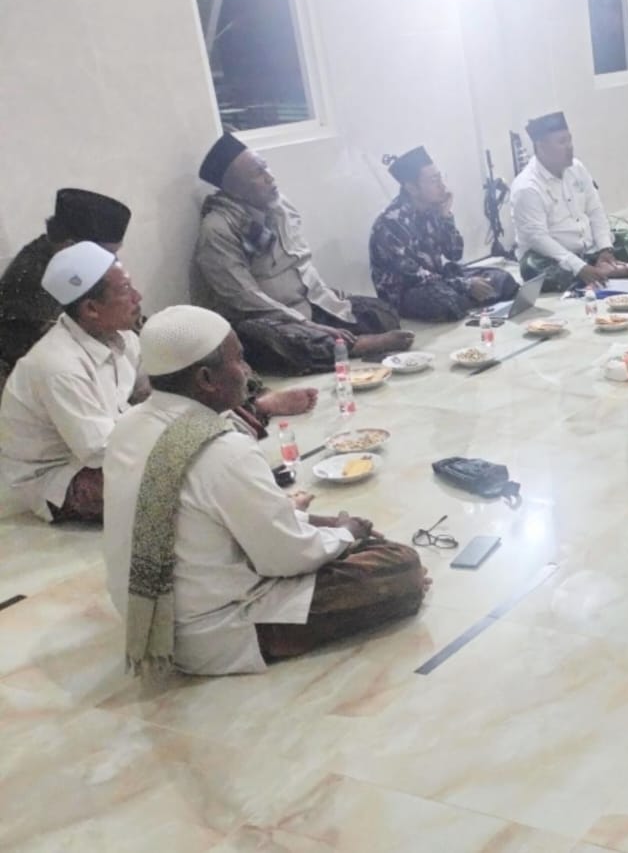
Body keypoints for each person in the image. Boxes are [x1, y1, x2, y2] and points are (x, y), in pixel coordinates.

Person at [103, 305, 430, 677]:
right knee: (399, 566)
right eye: (239, 360)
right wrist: (345, 534)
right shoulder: (221, 449)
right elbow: (285, 558)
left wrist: (321, 524)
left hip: (149, 618)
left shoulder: (127, 426)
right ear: (206, 378)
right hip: (215, 633)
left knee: (347, 540)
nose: (246, 371)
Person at [191, 132, 413, 376]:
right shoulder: (218, 229)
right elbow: (245, 298)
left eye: (266, 168)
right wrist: (306, 324)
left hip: (310, 303)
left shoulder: (278, 204)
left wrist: (327, 298)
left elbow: (301, 260)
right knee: (278, 344)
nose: (270, 177)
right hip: (272, 319)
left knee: (382, 313)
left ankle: (338, 343)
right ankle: (355, 346)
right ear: (235, 189)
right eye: (258, 173)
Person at [0, 243, 144, 523]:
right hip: (59, 477)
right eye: (126, 290)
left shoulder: (122, 338)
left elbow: (156, 390)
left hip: (102, 447)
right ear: (91, 308)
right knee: (169, 481)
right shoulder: (58, 365)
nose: (138, 297)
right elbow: (99, 451)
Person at [369, 145, 518, 321]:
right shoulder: (391, 224)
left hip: (440, 279)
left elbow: (454, 254)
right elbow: (415, 276)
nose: (442, 186)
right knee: (446, 302)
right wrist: (466, 285)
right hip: (407, 292)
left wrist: (446, 215)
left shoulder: (433, 209)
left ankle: (470, 299)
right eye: (434, 181)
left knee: (503, 279)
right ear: (412, 187)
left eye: (440, 178)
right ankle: (470, 299)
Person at [511, 111, 628, 294]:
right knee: (531, 269)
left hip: (589, 250)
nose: (569, 147)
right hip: (552, 257)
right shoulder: (527, 187)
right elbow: (539, 239)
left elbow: (595, 210)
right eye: (561, 142)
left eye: (569, 140)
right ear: (541, 146)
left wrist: (605, 250)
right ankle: (597, 272)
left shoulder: (576, 168)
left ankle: (601, 268)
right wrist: (579, 267)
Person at [0, 189, 130, 379]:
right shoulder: (35, 286)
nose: (113, 261)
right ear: (70, 246)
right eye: (107, 253)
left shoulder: (61, 258)